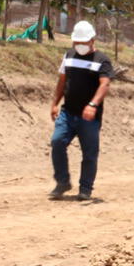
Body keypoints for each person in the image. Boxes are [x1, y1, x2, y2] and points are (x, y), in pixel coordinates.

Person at [49, 21, 114, 201]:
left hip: (89, 118)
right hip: (68, 112)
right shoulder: (69, 56)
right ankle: (62, 182)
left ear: (92, 40)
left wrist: (92, 105)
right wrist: (55, 103)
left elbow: (105, 84)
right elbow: (62, 81)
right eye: (77, 42)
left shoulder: (102, 60)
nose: (80, 45)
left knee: (89, 154)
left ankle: (85, 189)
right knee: (57, 142)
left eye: (83, 42)